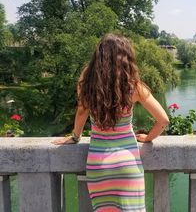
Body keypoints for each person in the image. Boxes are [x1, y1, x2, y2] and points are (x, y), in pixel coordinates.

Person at [52, 34, 169, 211]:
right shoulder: (134, 87)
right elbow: (163, 120)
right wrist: (147, 138)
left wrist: (75, 137)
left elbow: (82, 112)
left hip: (98, 165)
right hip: (127, 164)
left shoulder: (86, 85)